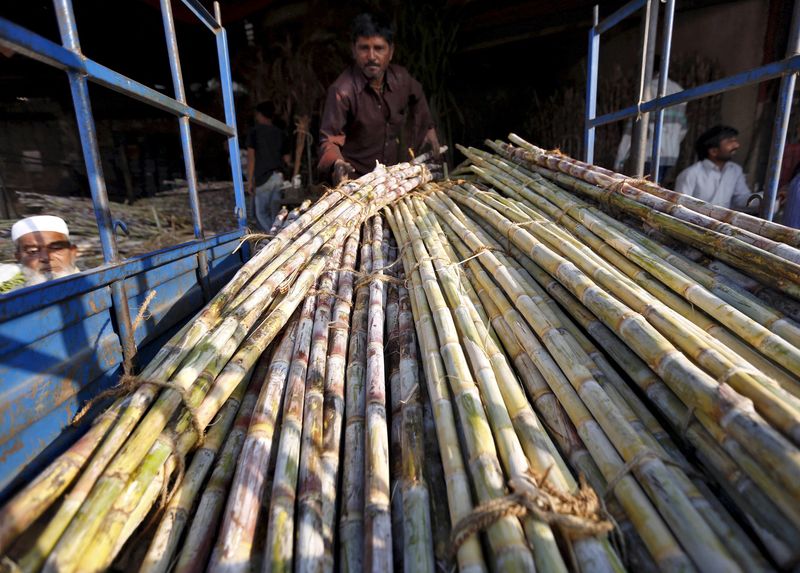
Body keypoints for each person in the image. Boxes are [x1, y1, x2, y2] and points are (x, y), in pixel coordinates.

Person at [318, 13, 440, 185]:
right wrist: (337, 163)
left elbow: (418, 94)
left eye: (379, 48)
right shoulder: (342, 91)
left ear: (391, 52)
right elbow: (329, 140)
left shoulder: (401, 78)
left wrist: (428, 129)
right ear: (354, 50)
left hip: (392, 180)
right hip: (357, 183)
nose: (372, 56)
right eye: (364, 48)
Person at [614, 74, 688, 182]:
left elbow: (632, 131)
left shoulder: (647, 90)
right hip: (671, 154)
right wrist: (673, 143)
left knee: (645, 191)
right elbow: (683, 129)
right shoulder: (679, 90)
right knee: (657, 189)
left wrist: (619, 160)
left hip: (649, 153)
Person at [674, 125, 752, 210]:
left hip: (723, 222)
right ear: (713, 151)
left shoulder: (735, 170)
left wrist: (763, 197)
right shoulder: (690, 174)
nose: (737, 145)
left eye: (735, 141)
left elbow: (740, 199)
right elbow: (680, 207)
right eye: (730, 142)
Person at [0, 215, 80, 293]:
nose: (46, 257)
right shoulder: (13, 299)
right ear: (19, 258)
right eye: (33, 251)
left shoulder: (91, 286)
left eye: (56, 248)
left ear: (73, 252)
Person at [246, 101, 290, 231]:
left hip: (263, 177)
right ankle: (276, 237)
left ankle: (272, 238)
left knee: (261, 214)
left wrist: (250, 180)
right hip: (279, 176)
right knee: (275, 214)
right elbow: (287, 159)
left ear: (259, 115)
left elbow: (251, 158)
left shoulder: (254, 132)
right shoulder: (281, 133)